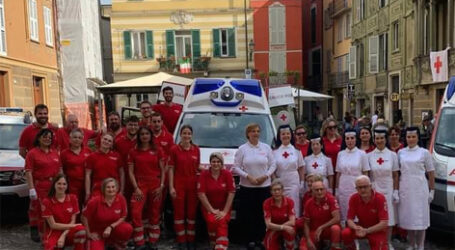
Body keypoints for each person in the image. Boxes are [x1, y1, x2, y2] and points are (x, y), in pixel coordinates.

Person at [233, 123, 276, 250]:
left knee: (262, 214)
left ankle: (260, 239)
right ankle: (249, 240)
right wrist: (248, 177)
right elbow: (236, 167)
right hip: (247, 187)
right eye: (253, 131)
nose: (255, 133)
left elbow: (273, 164)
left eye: (257, 131)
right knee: (248, 214)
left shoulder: (266, 148)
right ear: (248, 134)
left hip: (264, 187)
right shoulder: (242, 149)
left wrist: (266, 176)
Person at [398, 127, 435, 250]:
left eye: (413, 136)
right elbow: (398, 173)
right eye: (409, 137)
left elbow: (431, 173)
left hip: (420, 188)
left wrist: (432, 190)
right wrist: (396, 190)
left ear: (418, 138)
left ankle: (420, 245)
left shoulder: (424, 153)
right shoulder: (401, 153)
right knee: (409, 216)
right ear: (405, 138)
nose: (411, 139)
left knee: (420, 217)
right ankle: (411, 244)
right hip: (406, 187)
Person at [128, 126, 165, 249]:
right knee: (136, 211)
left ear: (150, 136)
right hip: (140, 185)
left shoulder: (158, 150)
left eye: (147, 134)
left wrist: (161, 186)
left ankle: (153, 240)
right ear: (139, 136)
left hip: (155, 184)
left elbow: (163, 170)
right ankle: (139, 241)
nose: (144, 136)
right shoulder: (133, 151)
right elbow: (130, 171)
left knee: (154, 212)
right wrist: (136, 188)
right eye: (142, 134)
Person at [25, 128, 61, 242]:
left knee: (55, 211)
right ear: (39, 138)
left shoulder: (55, 152)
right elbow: (28, 171)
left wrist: (62, 184)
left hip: (55, 186)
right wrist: (31, 189)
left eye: (50, 137)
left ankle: (55, 235)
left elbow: (59, 169)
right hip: (40, 186)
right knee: (43, 213)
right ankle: (45, 237)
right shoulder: (32, 153)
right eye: (45, 137)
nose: (47, 139)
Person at [168, 125, 201, 250]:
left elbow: (198, 167)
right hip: (179, 184)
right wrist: (171, 187)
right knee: (179, 213)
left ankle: (191, 240)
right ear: (180, 135)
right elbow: (171, 169)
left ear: (192, 135)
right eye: (184, 133)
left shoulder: (196, 149)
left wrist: (212, 169)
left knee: (192, 214)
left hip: (193, 184)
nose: (186, 136)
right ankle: (181, 240)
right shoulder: (174, 150)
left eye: (189, 133)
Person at [368, 129, 399, 250]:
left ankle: (387, 242)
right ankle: (376, 242)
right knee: (375, 216)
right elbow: (368, 174)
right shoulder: (369, 156)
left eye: (382, 138)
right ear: (374, 140)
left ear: (386, 139)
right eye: (377, 138)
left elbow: (396, 175)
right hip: (375, 187)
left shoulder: (392, 155)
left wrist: (396, 191)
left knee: (389, 216)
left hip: (389, 187)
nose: (379, 141)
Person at [197, 152, 235, 250]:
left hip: (224, 207)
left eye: (218, 162)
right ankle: (214, 242)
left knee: (221, 220)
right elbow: (201, 194)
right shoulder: (204, 174)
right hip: (208, 207)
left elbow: (231, 192)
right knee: (212, 220)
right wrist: (212, 210)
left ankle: (221, 246)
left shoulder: (227, 174)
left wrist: (225, 211)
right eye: (213, 161)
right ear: (210, 163)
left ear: (222, 163)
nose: (216, 164)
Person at [82, 178, 133, 250]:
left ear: (117, 188)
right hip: (97, 232)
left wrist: (110, 227)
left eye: (113, 187)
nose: (111, 189)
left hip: (113, 230)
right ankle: (101, 243)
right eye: (108, 187)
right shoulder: (95, 201)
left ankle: (117, 244)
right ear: (103, 189)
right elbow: (84, 217)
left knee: (127, 228)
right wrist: (88, 233)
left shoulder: (121, 198)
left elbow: (123, 216)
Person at [342, 175, 388, 250]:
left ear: (370, 186)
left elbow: (384, 223)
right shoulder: (354, 198)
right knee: (345, 233)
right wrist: (355, 227)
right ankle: (352, 247)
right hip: (361, 227)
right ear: (356, 189)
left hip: (376, 230)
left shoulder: (380, 198)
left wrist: (367, 230)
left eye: (365, 187)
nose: (363, 190)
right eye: (360, 187)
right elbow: (350, 219)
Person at [41, 174, 86, 250]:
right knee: (51, 247)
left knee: (81, 231)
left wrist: (63, 236)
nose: (61, 186)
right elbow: (53, 225)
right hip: (54, 231)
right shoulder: (47, 201)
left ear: (67, 186)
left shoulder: (73, 198)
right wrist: (74, 226)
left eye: (64, 184)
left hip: (68, 231)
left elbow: (72, 221)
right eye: (59, 183)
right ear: (54, 184)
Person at [335, 129, 370, 224]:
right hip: (343, 184)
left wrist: (366, 188)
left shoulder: (362, 154)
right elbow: (338, 173)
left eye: (352, 138)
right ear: (345, 140)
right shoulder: (340, 154)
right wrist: (337, 189)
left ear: (355, 139)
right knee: (344, 207)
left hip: (356, 184)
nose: (350, 141)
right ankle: (345, 231)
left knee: (357, 207)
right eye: (347, 138)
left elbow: (365, 172)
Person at [273, 125, 305, 217]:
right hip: (280, 182)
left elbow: (301, 167)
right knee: (281, 207)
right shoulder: (274, 152)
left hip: (293, 183)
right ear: (279, 136)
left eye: (288, 133)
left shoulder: (297, 151)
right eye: (283, 134)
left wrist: (302, 183)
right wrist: (275, 181)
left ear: (291, 135)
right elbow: (272, 170)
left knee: (294, 206)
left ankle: (294, 227)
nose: (285, 136)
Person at [300, 180, 341, 250]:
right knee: (303, 248)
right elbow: (306, 223)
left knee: (336, 229)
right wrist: (308, 239)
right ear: (312, 191)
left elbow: (337, 218)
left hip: (327, 229)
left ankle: (334, 247)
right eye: (317, 190)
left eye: (321, 189)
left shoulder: (331, 199)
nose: (319, 192)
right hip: (314, 230)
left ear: (325, 190)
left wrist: (321, 227)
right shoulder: (308, 203)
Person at [85, 133, 124, 200]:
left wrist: (122, 190)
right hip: (97, 189)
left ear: (112, 144)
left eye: (109, 141)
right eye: (105, 139)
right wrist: (87, 192)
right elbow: (88, 175)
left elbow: (122, 174)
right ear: (101, 139)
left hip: (113, 189)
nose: (106, 141)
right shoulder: (92, 156)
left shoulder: (117, 156)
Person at [60, 128, 92, 204]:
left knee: (88, 205)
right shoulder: (64, 153)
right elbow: (62, 170)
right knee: (75, 206)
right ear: (70, 139)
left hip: (87, 184)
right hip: (72, 185)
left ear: (82, 140)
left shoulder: (88, 151)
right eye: (75, 137)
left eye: (79, 138)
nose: (77, 139)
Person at [263, 179, 296, 250]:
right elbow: (268, 224)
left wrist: (281, 228)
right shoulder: (267, 203)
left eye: (279, 189)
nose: (277, 192)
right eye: (274, 190)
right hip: (274, 228)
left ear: (283, 191)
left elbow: (292, 221)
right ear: (271, 192)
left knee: (289, 232)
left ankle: (290, 247)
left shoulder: (290, 201)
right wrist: (281, 228)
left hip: (286, 227)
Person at [114, 116, 139, 203]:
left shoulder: (143, 141)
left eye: (135, 125)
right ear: (126, 126)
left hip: (138, 179)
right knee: (124, 202)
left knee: (138, 203)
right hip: (123, 177)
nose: (133, 127)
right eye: (130, 125)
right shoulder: (118, 141)